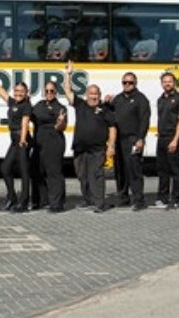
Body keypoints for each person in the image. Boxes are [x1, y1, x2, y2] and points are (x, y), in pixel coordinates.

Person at [64, 62, 116, 213]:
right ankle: (88, 200)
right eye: (91, 94)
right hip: (80, 148)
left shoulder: (105, 109)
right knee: (82, 176)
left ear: (99, 95)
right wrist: (68, 74)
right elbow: (67, 91)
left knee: (97, 175)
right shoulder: (80, 104)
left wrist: (111, 146)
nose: (93, 96)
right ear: (87, 94)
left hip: (97, 149)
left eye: (96, 94)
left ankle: (99, 203)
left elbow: (112, 128)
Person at [105, 72, 151, 211]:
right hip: (119, 139)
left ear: (135, 83)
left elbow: (144, 120)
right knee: (120, 171)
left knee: (134, 170)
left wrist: (141, 138)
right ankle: (123, 197)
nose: (127, 85)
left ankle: (139, 200)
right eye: (124, 82)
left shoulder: (141, 99)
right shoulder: (118, 99)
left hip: (133, 139)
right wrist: (106, 103)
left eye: (130, 82)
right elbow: (108, 113)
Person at [0, 72, 32, 213]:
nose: (18, 93)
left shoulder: (26, 106)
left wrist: (23, 139)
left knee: (24, 171)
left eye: (21, 91)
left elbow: (25, 123)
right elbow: (1, 91)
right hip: (14, 139)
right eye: (16, 91)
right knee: (5, 168)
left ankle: (24, 202)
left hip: (22, 139)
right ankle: (12, 197)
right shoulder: (12, 102)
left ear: (26, 93)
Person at [31, 80, 68, 213]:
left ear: (56, 92)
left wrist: (60, 123)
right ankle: (40, 200)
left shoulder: (60, 108)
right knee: (37, 172)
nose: (49, 93)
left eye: (52, 91)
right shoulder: (38, 106)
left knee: (54, 173)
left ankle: (57, 203)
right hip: (39, 143)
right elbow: (27, 117)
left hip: (54, 142)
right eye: (46, 91)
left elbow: (61, 127)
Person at [155, 72, 179, 209]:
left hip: (173, 138)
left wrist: (175, 140)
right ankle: (162, 198)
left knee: (175, 170)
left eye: (169, 81)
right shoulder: (160, 99)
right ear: (161, 84)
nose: (167, 84)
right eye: (164, 82)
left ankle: (176, 198)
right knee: (162, 170)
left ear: (174, 83)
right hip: (162, 138)